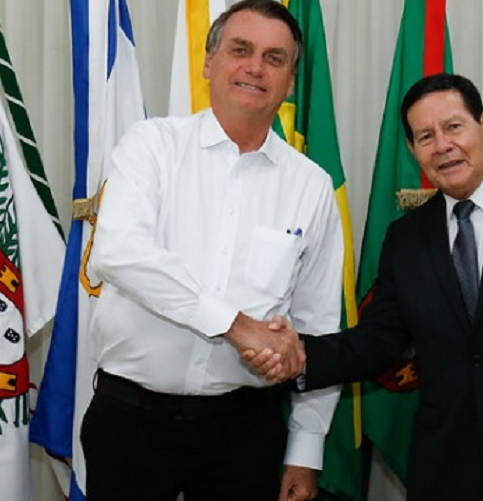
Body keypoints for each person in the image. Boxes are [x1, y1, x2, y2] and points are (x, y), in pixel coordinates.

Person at [246, 73, 483, 501]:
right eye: (425, 136)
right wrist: (296, 355)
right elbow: (378, 342)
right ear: (413, 150)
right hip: (445, 472)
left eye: (453, 127)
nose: (442, 145)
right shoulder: (406, 237)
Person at [80, 1, 338, 500]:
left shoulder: (312, 186)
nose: (255, 67)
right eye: (240, 50)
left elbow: (317, 325)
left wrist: (305, 451)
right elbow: (118, 252)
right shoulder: (151, 145)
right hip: (130, 425)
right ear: (208, 62)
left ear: (290, 82)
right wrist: (238, 327)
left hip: (244, 432)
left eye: (274, 58)